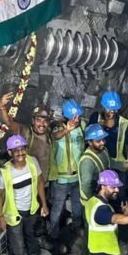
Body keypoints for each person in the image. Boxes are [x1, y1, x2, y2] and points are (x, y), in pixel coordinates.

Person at [0, 134, 50, 255]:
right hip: (14, 213)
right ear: (9, 153)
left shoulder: (32, 162)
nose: (20, 153)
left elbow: (39, 182)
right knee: (17, 247)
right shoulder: (4, 173)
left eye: (22, 149)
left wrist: (43, 204)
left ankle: (34, 251)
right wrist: (0, 218)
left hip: (31, 208)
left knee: (31, 233)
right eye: (16, 150)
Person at [47, 99, 85, 239]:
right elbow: (52, 137)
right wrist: (66, 130)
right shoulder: (56, 129)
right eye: (74, 117)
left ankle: (76, 226)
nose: (77, 119)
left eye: (78, 116)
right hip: (61, 179)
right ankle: (53, 234)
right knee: (57, 207)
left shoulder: (82, 126)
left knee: (77, 205)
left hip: (77, 177)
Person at [88, 91, 128, 186]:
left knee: (118, 194)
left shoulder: (123, 122)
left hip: (118, 166)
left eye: (115, 109)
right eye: (109, 109)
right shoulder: (95, 118)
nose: (112, 112)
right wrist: (104, 124)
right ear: (103, 106)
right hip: (98, 163)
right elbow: (88, 134)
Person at [0, 93, 52, 177]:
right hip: (30, 182)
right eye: (39, 120)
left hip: (46, 181)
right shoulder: (26, 132)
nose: (42, 124)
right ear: (33, 121)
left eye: (45, 121)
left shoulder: (48, 133)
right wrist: (2, 108)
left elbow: (56, 136)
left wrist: (66, 130)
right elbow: (9, 123)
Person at [78, 124, 111, 208]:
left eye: (103, 139)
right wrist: (93, 202)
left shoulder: (103, 150)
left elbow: (110, 162)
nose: (102, 143)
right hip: (91, 200)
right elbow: (86, 186)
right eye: (98, 141)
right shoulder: (87, 161)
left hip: (102, 195)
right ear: (89, 142)